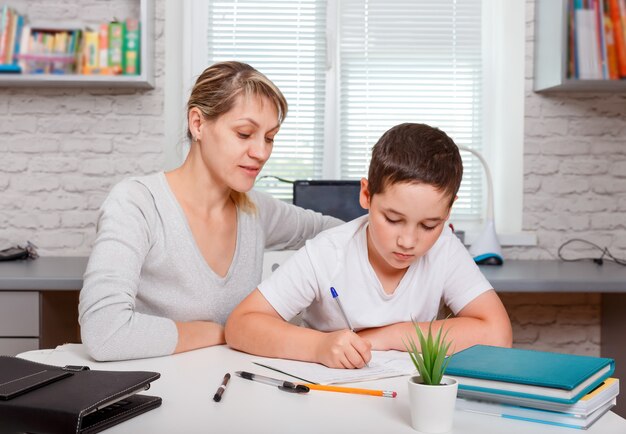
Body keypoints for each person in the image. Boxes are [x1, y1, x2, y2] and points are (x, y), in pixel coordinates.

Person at [79, 61, 342, 361]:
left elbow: (337, 232)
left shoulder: (256, 210)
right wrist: (229, 331)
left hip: (231, 389)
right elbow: (104, 333)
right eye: (244, 134)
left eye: (269, 138)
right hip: (153, 392)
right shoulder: (136, 204)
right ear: (198, 124)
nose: (262, 152)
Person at [225, 123, 512, 369]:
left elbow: (498, 333)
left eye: (429, 225)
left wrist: (386, 336)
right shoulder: (327, 253)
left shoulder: (445, 249)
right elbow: (241, 326)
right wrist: (319, 346)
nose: (408, 241)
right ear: (366, 195)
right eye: (393, 219)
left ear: (448, 213)